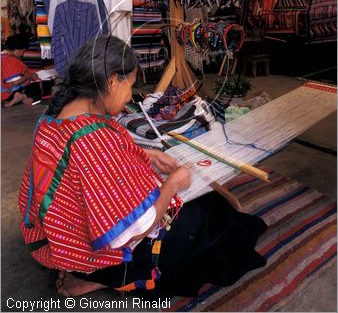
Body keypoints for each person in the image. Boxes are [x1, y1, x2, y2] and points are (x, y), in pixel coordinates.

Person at [18, 35, 268, 298]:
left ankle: (91, 272)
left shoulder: (57, 117)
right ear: (112, 81)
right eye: (131, 85)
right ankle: (107, 278)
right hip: (94, 254)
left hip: (54, 240)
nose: (130, 95)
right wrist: (173, 184)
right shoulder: (93, 143)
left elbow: (85, 165)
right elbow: (135, 228)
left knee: (205, 207)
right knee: (210, 219)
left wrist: (147, 155)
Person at [1, 34, 54, 107]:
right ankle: (22, 96)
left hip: (4, 94)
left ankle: (19, 99)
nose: (23, 54)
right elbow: (16, 82)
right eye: (23, 51)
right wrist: (30, 75)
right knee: (41, 87)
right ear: (17, 50)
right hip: (10, 92)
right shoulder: (11, 61)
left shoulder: (2, 57)